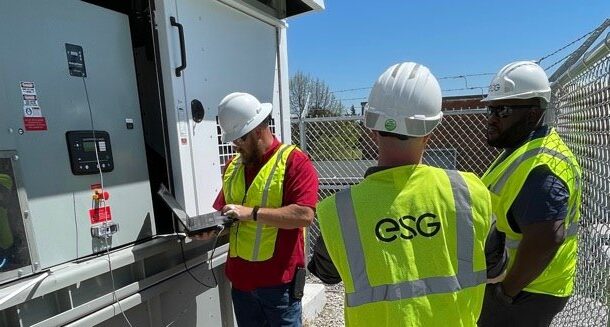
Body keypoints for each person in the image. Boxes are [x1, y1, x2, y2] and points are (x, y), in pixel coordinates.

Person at [308, 62, 506, 327]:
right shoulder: (470, 191)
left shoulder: (339, 210)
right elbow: (496, 269)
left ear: (373, 128)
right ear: (430, 130)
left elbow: (327, 274)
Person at [192, 92, 319, 327]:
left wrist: (251, 213)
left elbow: (304, 215)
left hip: (279, 285)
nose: (235, 145)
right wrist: (210, 227)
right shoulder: (233, 166)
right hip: (241, 283)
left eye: (240, 139)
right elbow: (226, 211)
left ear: (259, 131)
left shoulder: (294, 161)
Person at [477, 61, 582, 327]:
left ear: (533, 113)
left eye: (503, 110)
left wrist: (506, 293)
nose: (491, 118)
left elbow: (548, 236)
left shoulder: (541, 168)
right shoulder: (523, 150)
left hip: (528, 292)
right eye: (490, 108)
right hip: (524, 287)